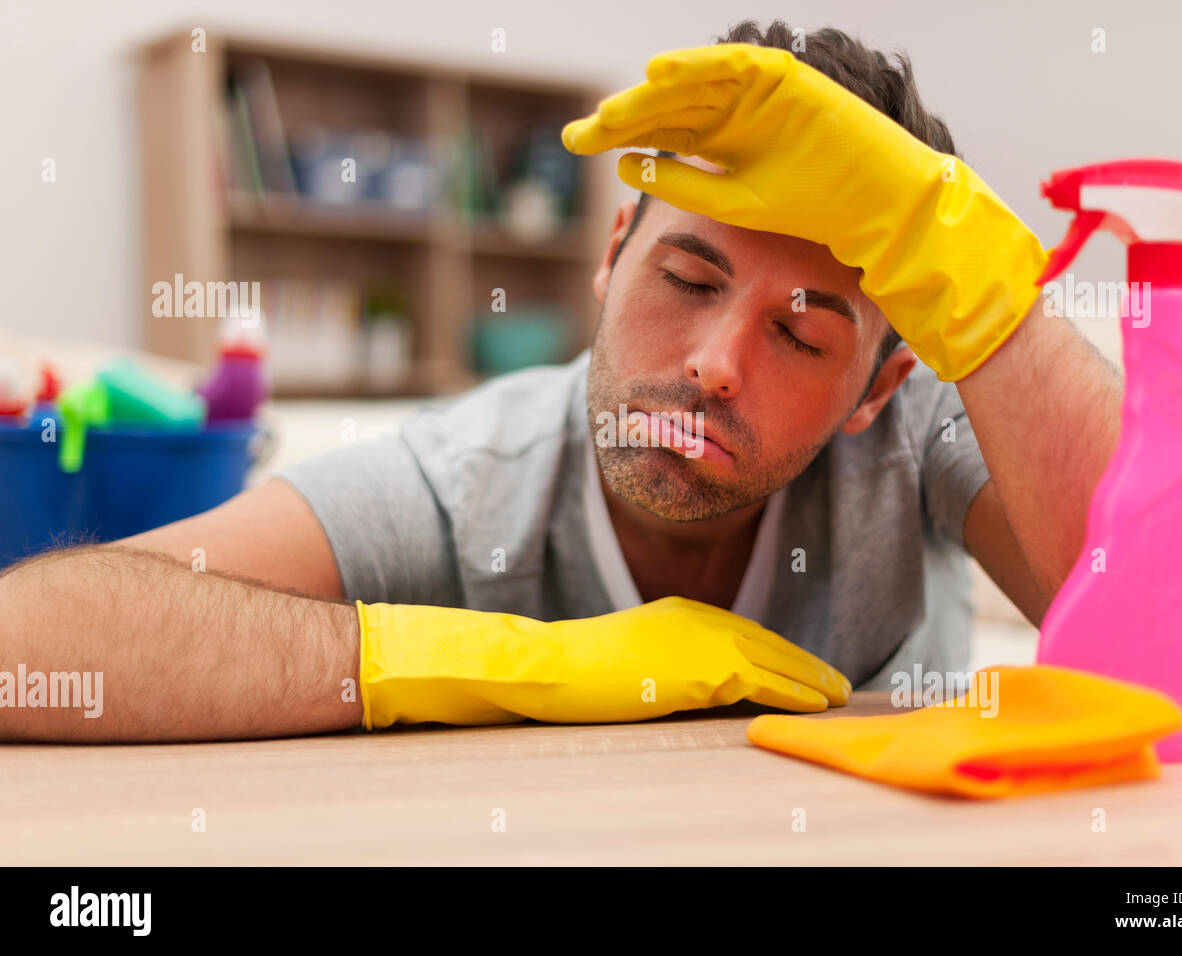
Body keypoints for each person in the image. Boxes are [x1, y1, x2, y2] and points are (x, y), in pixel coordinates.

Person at [0, 20, 1120, 742]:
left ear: (878, 388)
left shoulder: (922, 434)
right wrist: (511, 658)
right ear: (610, 251)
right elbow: (28, 642)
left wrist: (974, 275)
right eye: (685, 276)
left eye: (802, 335)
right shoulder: (466, 479)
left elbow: (1174, 627)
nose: (713, 364)